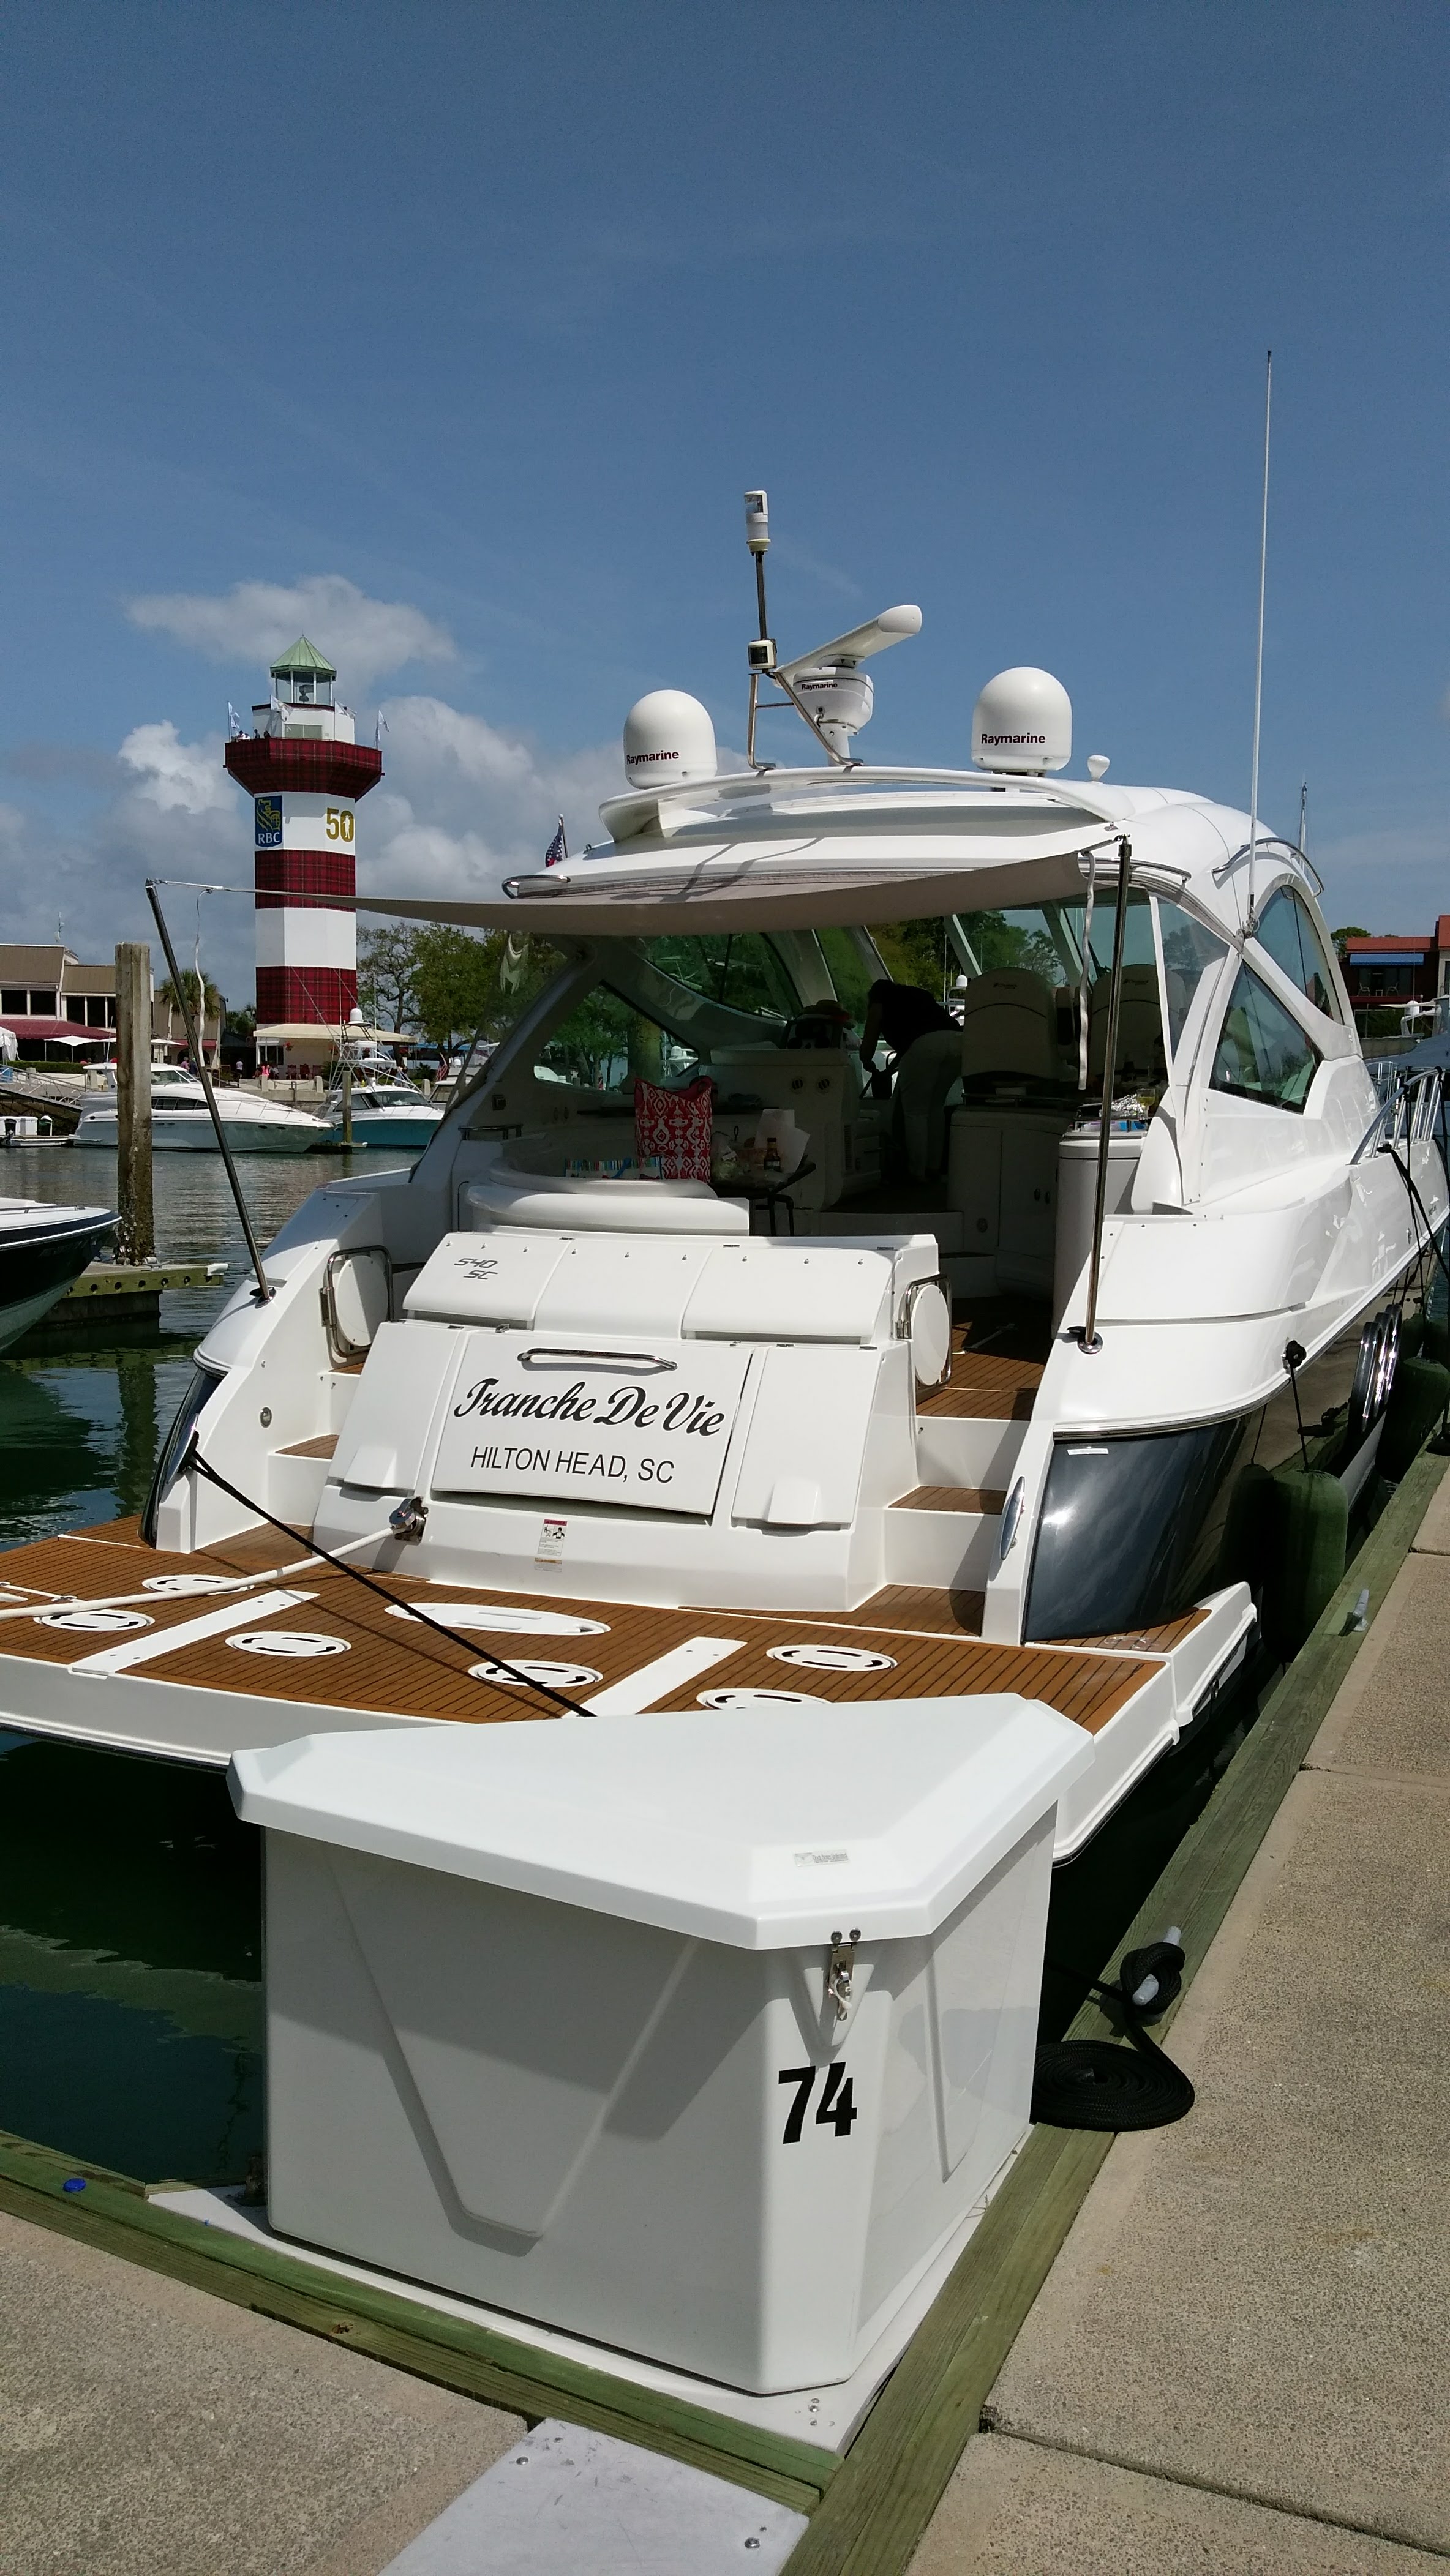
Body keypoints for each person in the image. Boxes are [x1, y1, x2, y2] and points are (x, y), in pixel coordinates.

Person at [859, 978, 961, 1181]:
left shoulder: (881, 998)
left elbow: (918, 1045)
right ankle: (934, 1169)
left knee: (916, 1113)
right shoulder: (915, 995)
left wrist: (866, 1059)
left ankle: (916, 1173)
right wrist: (889, 1070)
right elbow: (915, 1043)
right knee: (936, 1108)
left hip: (925, 1047)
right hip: (958, 1042)